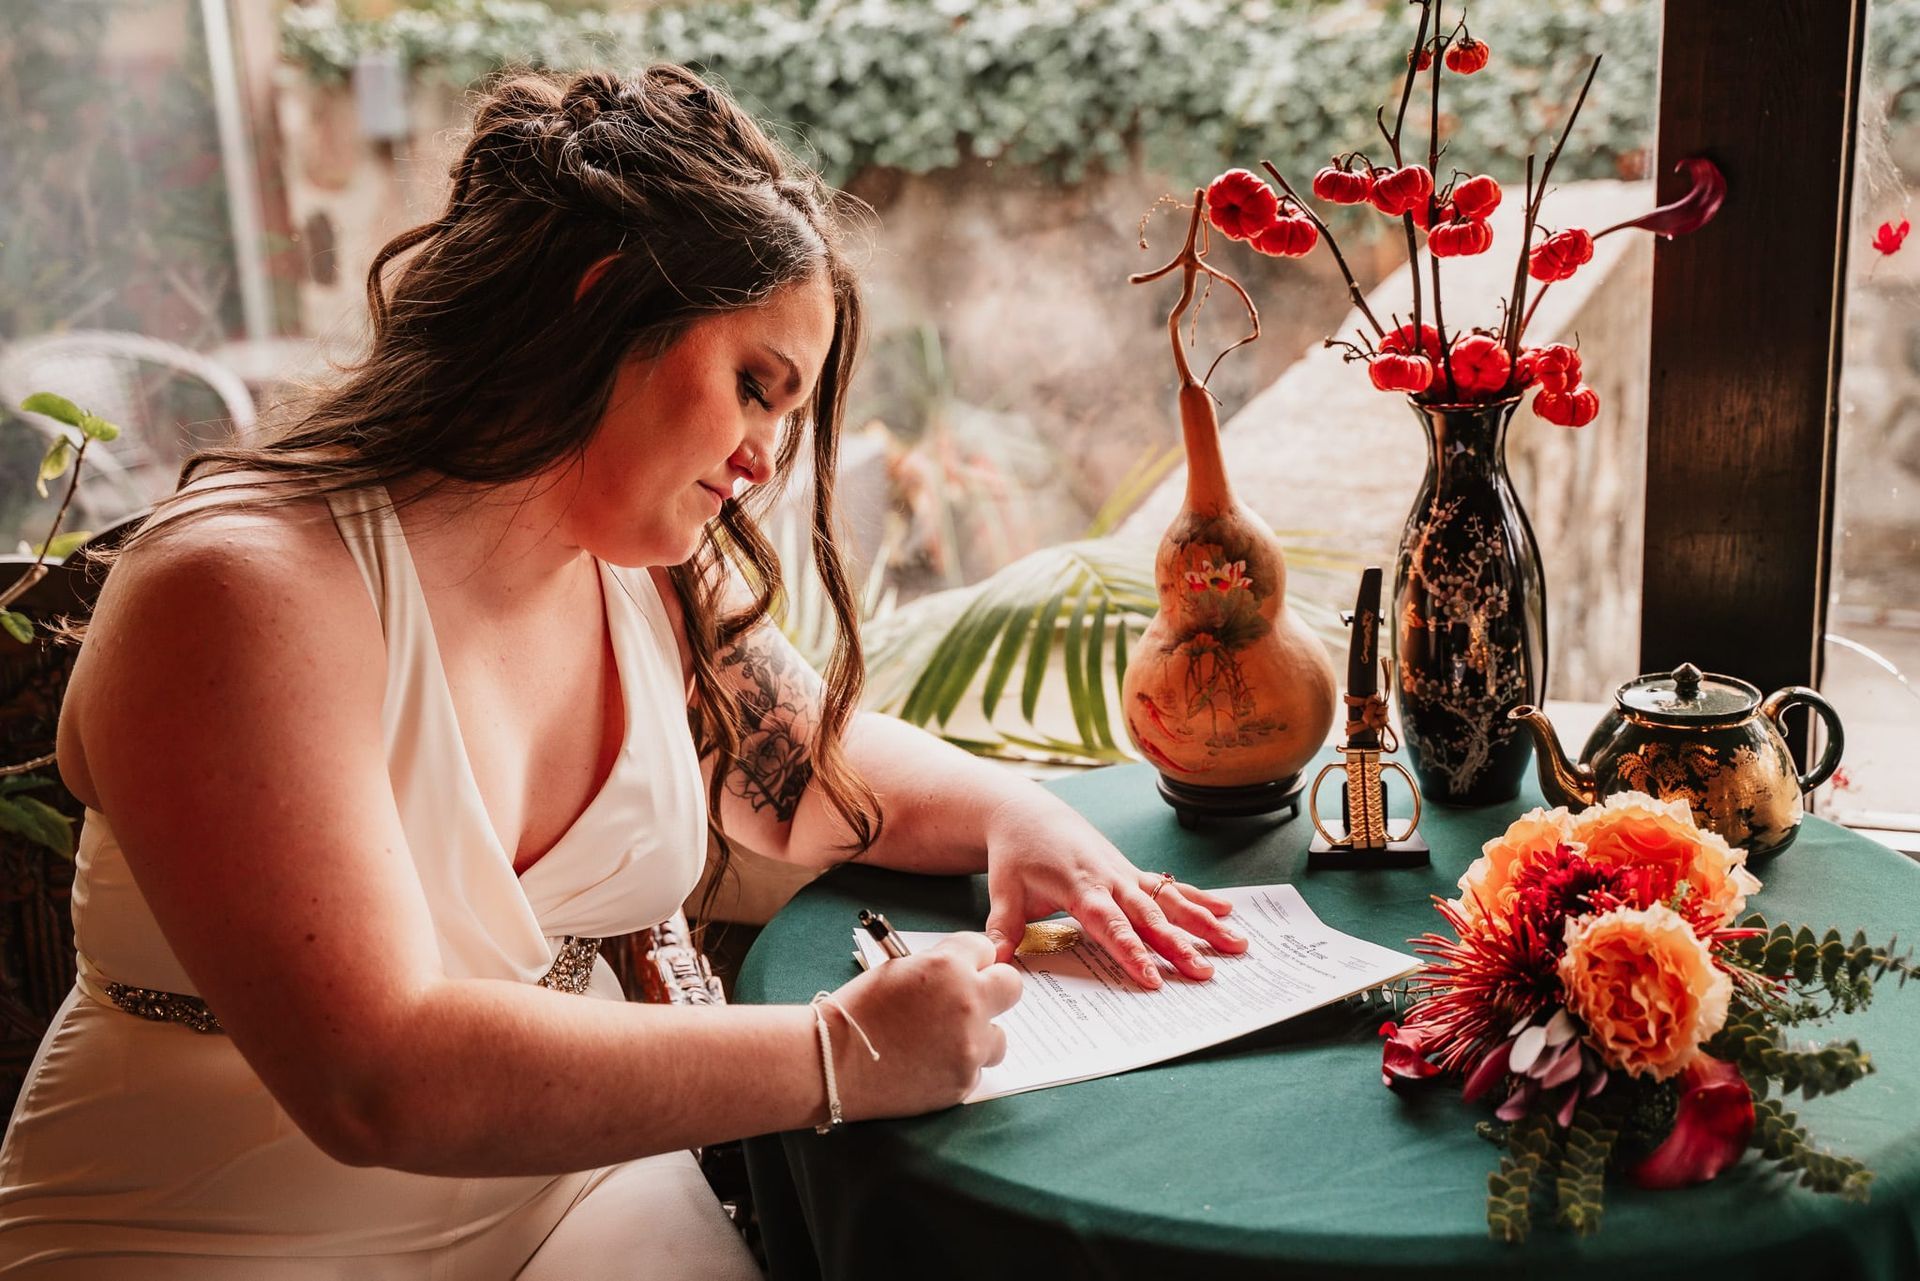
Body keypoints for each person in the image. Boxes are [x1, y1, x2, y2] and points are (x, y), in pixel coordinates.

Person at [0, 65, 1246, 1278]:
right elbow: (373, 1079)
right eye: (755, 386)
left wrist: (1021, 817)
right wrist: (840, 1054)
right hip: (208, 1227)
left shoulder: (637, 565)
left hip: (570, 1188)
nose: (766, 459)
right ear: (603, 304)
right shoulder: (236, 592)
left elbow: (806, 766)